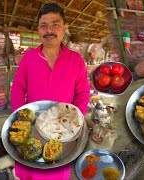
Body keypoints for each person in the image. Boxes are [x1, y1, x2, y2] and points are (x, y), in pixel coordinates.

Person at [11, 3, 90, 180]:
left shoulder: (75, 59)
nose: (49, 30)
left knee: (54, 171)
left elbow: (83, 92)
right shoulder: (29, 57)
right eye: (43, 25)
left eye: (55, 24)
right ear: (38, 29)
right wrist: (19, 116)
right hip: (32, 128)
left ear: (64, 28)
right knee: (28, 167)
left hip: (62, 131)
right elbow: (18, 87)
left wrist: (76, 119)